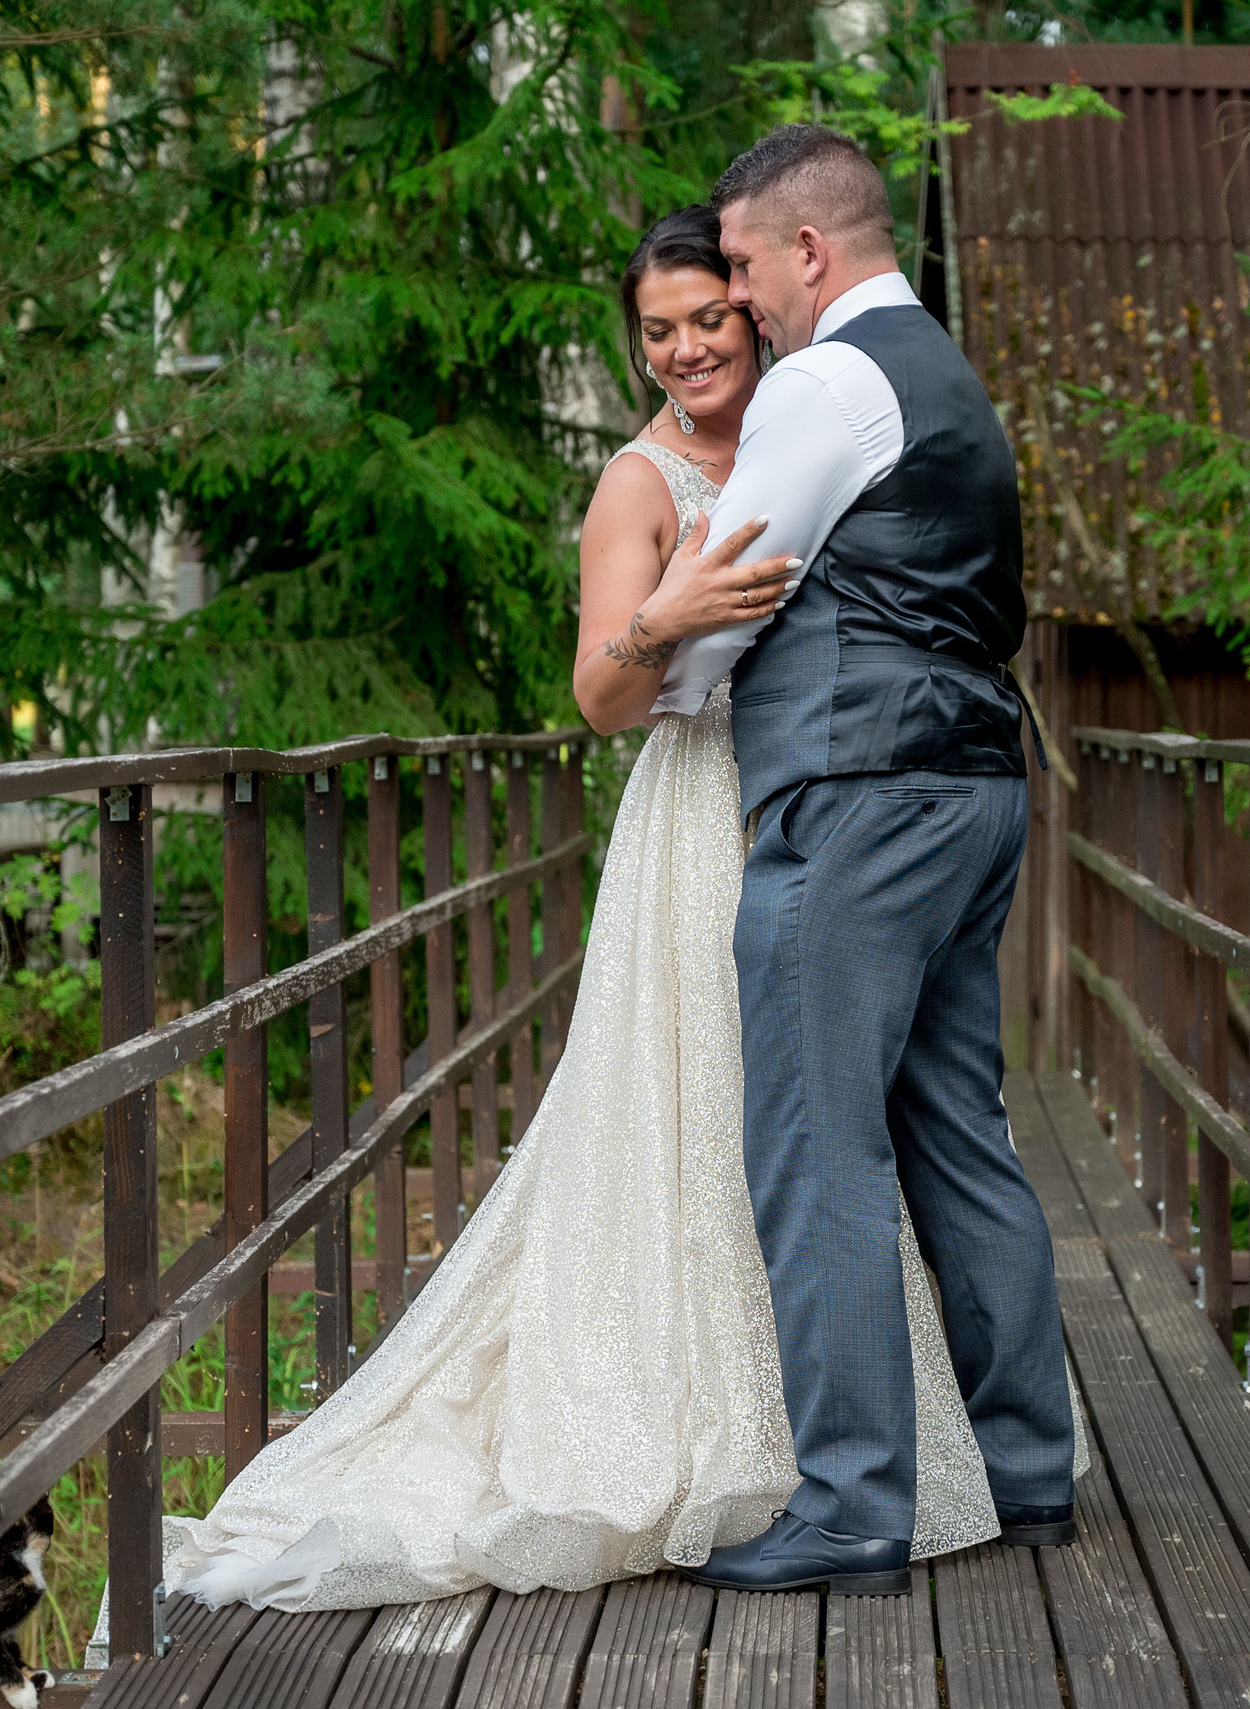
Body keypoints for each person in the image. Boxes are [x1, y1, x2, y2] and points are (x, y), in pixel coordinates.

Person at [159, 205, 1051, 1614]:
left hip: (824, 793)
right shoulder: (639, 483)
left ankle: (820, 1447)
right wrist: (671, 608)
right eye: (661, 328)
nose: (691, 346)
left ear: (757, 307)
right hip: (702, 815)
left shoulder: (815, 420)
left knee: (815, 1126)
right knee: (714, 1120)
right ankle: (701, 1428)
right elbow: (598, 697)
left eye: (711, 314)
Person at [667, 124, 1076, 1596]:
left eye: (745, 268)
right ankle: (1031, 1470)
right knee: (957, 1130)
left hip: (856, 802)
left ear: (809, 251)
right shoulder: (950, 380)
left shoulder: (828, 382)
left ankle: (850, 1505)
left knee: (814, 1141)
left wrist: (651, 666)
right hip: (972, 792)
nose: (740, 301)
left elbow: (721, 607)